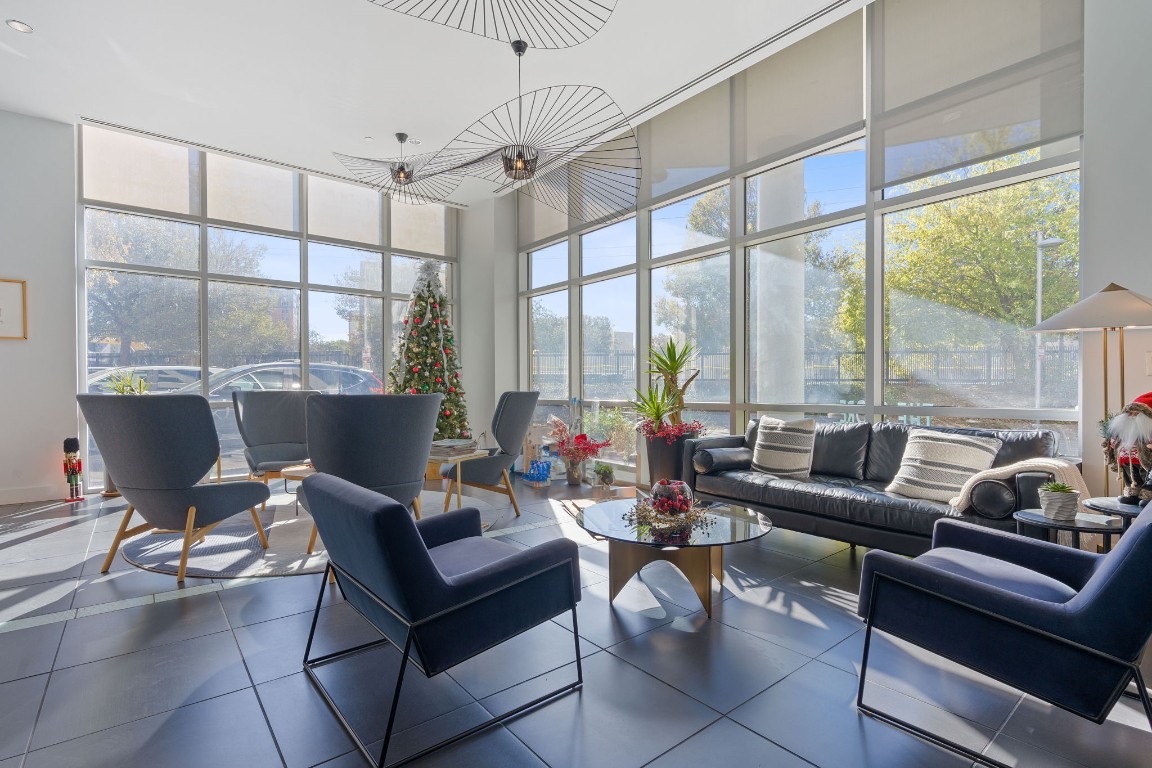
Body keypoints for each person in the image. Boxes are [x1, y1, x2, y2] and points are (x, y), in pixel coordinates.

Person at [1103, 392, 1152, 504]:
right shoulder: (1121, 431)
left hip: (1145, 461)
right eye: (1130, 413)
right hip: (1127, 460)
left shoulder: (1148, 432)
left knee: (1146, 476)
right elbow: (1113, 441)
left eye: (1137, 413)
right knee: (1130, 477)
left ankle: (1147, 496)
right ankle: (1133, 494)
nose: (1132, 416)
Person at [63, 437, 83, 501]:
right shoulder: (66, 461)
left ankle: (77, 495)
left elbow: (79, 465)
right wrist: (65, 473)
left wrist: (80, 471)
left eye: (74, 456)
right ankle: (72, 496)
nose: (72, 457)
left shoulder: (78, 460)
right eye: (70, 456)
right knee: (72, 484)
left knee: (76, 483)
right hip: (70, 473)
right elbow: (65, 467)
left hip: (76, 473)